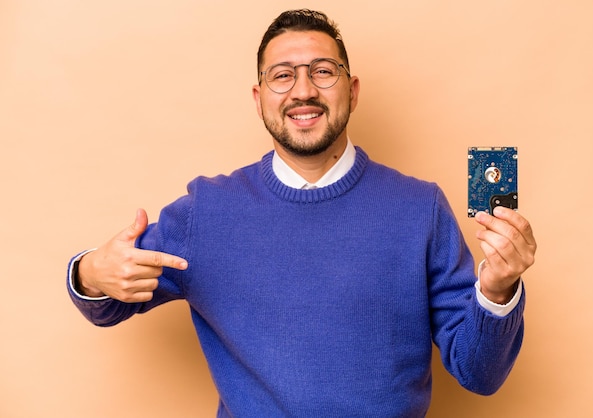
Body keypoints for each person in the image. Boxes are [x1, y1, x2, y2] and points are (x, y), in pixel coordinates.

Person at [67, 9, 536, 417]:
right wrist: (90, 271)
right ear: (259, 99)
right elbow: (105, 306)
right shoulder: (206, 212)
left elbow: (480, 374)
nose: (303, 90)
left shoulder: (421, 208)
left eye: (323, 72)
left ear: (351, 90)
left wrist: (498, 291)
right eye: (282, 75)